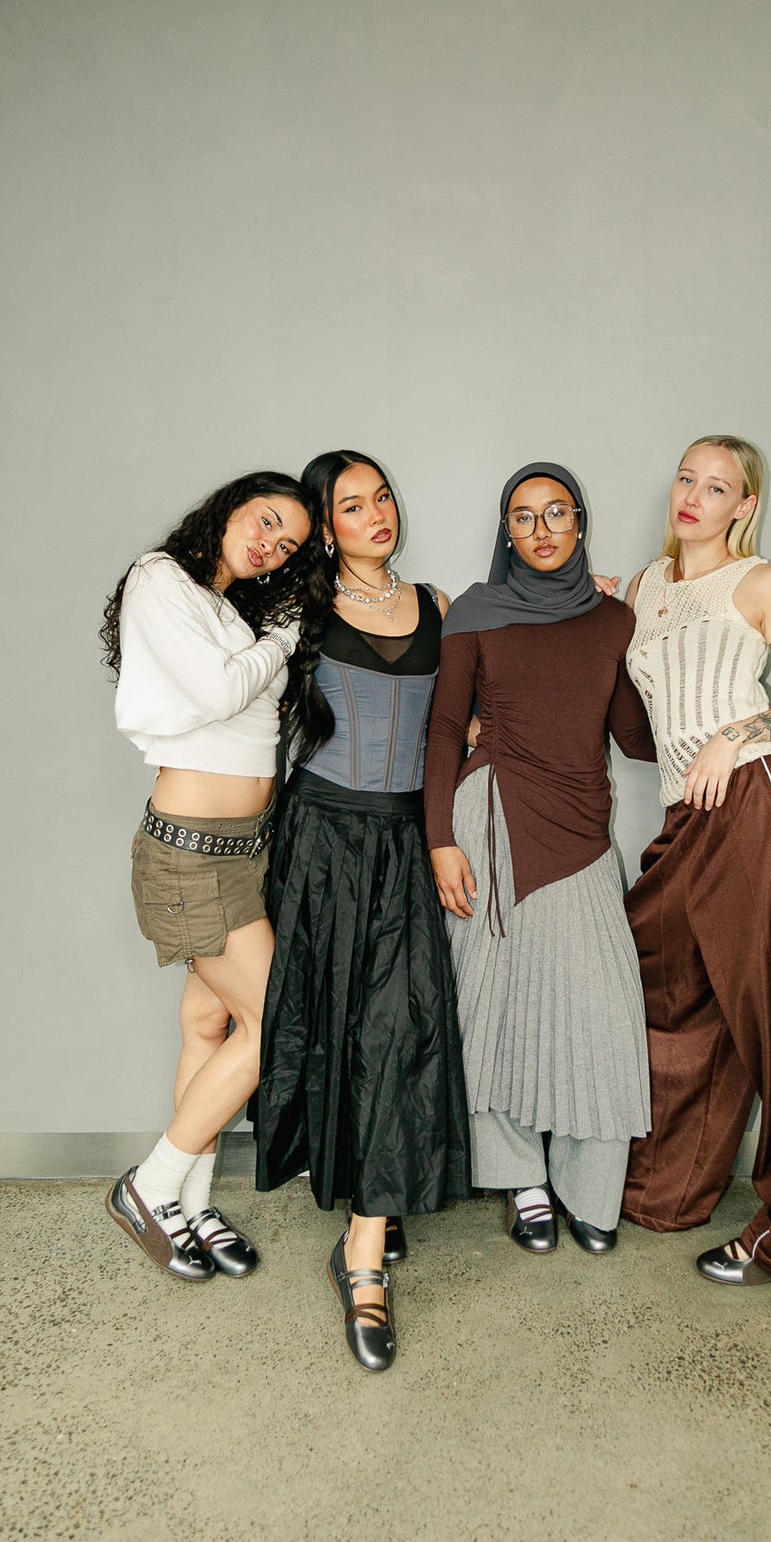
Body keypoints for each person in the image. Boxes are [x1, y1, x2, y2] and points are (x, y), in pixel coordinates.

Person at [621, 434, 771, 1287]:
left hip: (764, 805)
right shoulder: (643, 587)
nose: (694, 496)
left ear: (744, 506)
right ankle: (664, 1192)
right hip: (686, 817)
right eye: (687, 478)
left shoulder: (763, 583)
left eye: (717, 487)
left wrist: (735, 735)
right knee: (674, 1001)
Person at [254, 451, 471, 1372]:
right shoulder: (295, 612)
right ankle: (368, 1216)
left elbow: (465, 719)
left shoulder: (440, 605)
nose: (377, 513)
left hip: (406, 843)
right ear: (324, 525)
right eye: (352, 505)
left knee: (398, 1029)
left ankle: (364, 1249)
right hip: (321, 839)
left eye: (382, 496)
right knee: (335, 1026)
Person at [100, 472, 329, 1281]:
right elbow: (221, 689)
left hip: (243, 849)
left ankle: (191, 1208)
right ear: (230, 507)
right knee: (276, 1021)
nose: (272, 546)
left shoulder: (229, 610)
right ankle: (151, 1185)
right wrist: (284, 639)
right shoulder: (160, 579)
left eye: (289, 544)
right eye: (266, 522)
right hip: (191, 854)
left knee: (209, 1023)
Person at [425, 463, 656, 1258]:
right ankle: (521, 1181)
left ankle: (590, 1191)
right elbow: (443, 728)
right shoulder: (476, 613)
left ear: (580, 522)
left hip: (582, 828)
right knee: (491, 1004)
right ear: (508, 532)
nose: (542, 529)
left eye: (557, 513)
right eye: (523, 517)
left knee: (602, 1013)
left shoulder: (613, 619)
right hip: (489, 819)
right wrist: (439, 841)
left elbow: (634, 737)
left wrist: (714, 703)